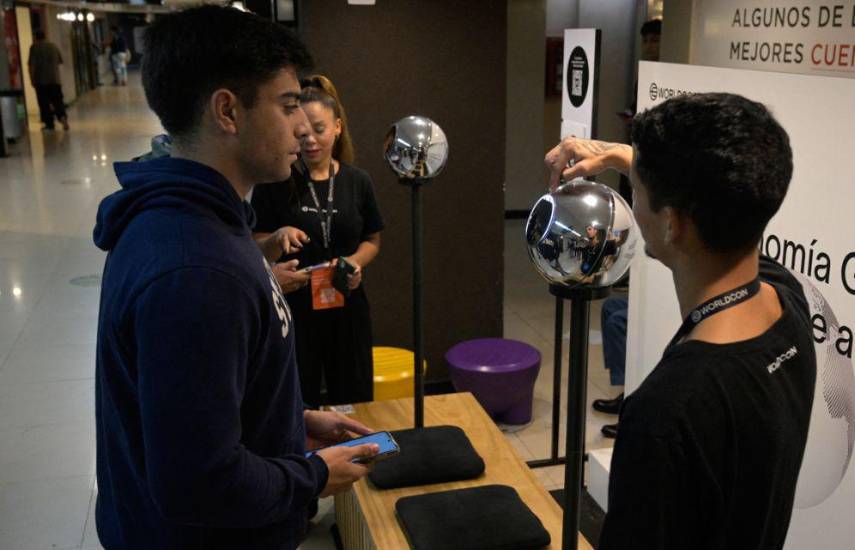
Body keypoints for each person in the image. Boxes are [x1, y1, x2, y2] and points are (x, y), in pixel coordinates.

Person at [92, 6, 378, 549]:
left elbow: (200, 403)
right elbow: (198, 483)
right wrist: (313, 475)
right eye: (287, 105)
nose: (301, 128)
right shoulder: (196, 269)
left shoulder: (204, 225)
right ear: (228, 111)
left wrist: (290, 422)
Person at [546, 93, 815, 548]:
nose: (634, 200)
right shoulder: (786, 301)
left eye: (637, 189)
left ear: (672, 224)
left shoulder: (666, 414)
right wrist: (619, 156)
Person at [252, 75, 383, 407]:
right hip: (294, 307)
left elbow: (372, 239)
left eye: (319, 130)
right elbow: (254, 243)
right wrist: (277, 238)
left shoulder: (358, 181)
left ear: (337, 127)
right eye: (302, 133)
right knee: (297, 397)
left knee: (353, 398)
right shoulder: (277, 181)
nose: (310, 140)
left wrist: (355, 262)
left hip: (346, 302)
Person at [27, 30, 68, 131]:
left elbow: (32, 65)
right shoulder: (53, 46)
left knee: (44, 103)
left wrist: (32, 79)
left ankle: (49, 124)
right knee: (58, 101)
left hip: (41, 80)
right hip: (55, 79)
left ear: (35, 37)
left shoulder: (34, 47)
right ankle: (62, 117)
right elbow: (60, 61)